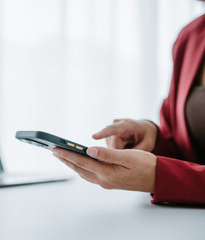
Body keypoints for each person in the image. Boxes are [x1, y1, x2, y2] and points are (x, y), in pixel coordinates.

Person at [52, 14, 205, 204]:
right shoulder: (191, 36)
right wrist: (152, 140)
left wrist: (161, 177)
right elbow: (188, 155)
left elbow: (177, 175)